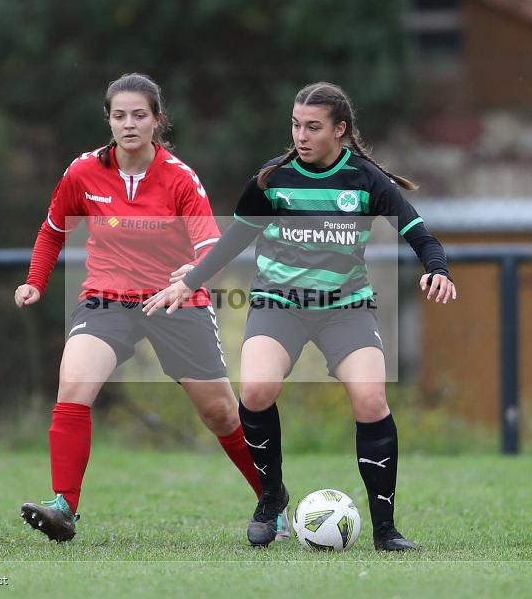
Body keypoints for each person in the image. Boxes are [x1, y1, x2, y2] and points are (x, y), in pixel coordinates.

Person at [143, 82, 457, 551]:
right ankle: (270, 500)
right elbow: (234, 240)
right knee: (255, 390)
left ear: (341, 130)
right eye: (296, 124)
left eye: (313, 126)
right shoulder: (273, 178)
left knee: (371, 401)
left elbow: (421, 236)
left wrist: (438, 270)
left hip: (345, 309)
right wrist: (190, 281)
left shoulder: (367, 180)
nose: (302, 135)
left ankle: (386, 530)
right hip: (280, 305)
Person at [15, 73, 267, 543]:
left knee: (221, 415)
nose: (129, 124)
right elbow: (52, 230)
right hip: (106, 299)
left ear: (157, 120)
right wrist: (35, 282)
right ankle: (64, 507)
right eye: (119, 115)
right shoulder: (82, 172)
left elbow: (212, 245)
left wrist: (188, 281)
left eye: (139, 115)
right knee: (74, 383)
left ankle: (272, 502)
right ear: (108, 120)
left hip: (175, 299)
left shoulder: (179, 178)